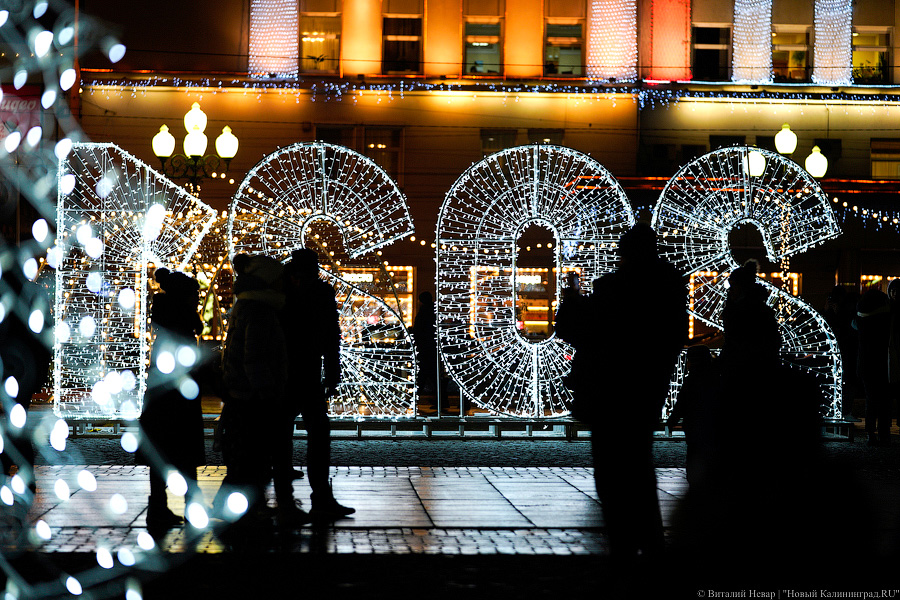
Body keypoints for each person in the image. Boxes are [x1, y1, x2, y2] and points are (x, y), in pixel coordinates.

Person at [556, 223, 687, 571]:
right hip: (647, 387)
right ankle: (650, 546)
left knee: (612, 469)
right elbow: (675, 337)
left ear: (625, 254)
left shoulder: (613, 289)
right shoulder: (670, 286)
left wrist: (572, 298)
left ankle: (624, 549)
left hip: (611, 389)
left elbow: (575, 329)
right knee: (639, 464)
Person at [221, 253, 303, 526]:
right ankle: (238, 512)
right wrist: (268, 393)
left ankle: (244, 508)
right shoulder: (260, 311)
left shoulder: (246, 306)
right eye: (279, 279)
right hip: (255, 398)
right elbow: (253, 357)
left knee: (249, 457)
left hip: (245, 395)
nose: (284, 284)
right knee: (254, 457)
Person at [282, 249, 354, 519]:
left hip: (288, 371)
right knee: (318, 433)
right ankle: (320, 497)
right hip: (306, 370)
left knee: (284, 432)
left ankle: (288, 500)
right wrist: (332, 371)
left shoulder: (281, 291)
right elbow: (330, 334)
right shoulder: (320, 292)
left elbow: (330, 333)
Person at [139, 267, 205, 531]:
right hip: (178, 404)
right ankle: (190, 506)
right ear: (184, 298)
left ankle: (159, 508)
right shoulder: (181, 329)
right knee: (186, 455)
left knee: (163, 457)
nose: (198, 300)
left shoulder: (167, 325)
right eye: (194, 295)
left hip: (161, 404)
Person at [0, 261, 52, 494]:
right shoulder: (33, 296)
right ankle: (24, 474)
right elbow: (44, 338)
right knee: (19, 423)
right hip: (24, 370)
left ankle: (10, 470)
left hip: (14, 366)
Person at [855, 286, 892, 447]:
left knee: (871, 401)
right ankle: (884, 434)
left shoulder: (859, 321)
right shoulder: (885, 319)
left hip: (865, 365)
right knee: (884, 401)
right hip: (884, 364)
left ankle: (871, 433)